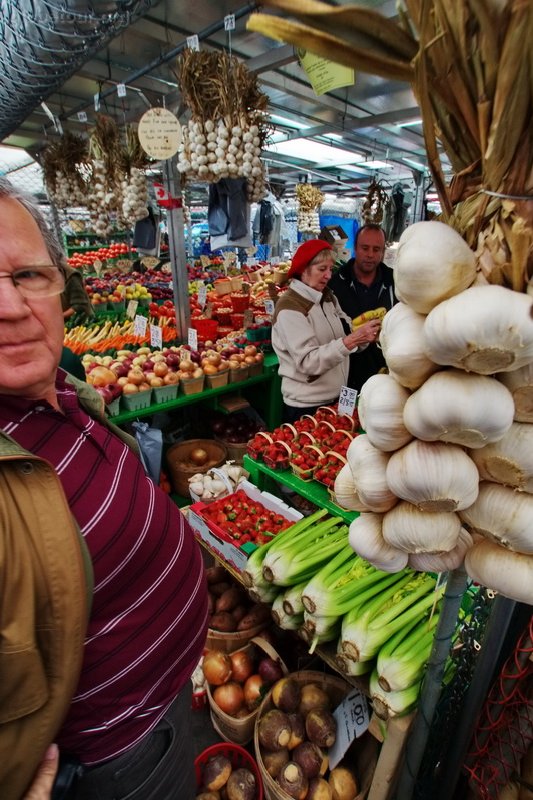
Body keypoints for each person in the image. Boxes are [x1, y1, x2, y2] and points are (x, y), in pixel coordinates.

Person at [0, 178, 208, 800]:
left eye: (29, 276)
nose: (11, 307)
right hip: (122, 758)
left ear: (62, 285)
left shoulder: (61, 387)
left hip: (164, 704)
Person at [272, 239, 380, 423]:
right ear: (303, 269)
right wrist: (352, 341)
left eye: (330, 269)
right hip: (306, 406)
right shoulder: (290, 308)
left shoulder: (328, 297)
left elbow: (345, 335)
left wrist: (364, 337)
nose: (328, 275)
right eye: (322, 269)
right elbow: (308, 362)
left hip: (337, 399)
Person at [329, 223, 397, 391]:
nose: (370, 255)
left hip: (385, 373)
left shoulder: (395, 283)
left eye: (376, 249)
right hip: (346, 375)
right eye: (365, 248)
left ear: (383, 252)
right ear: (355, 248)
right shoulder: (335, 283)